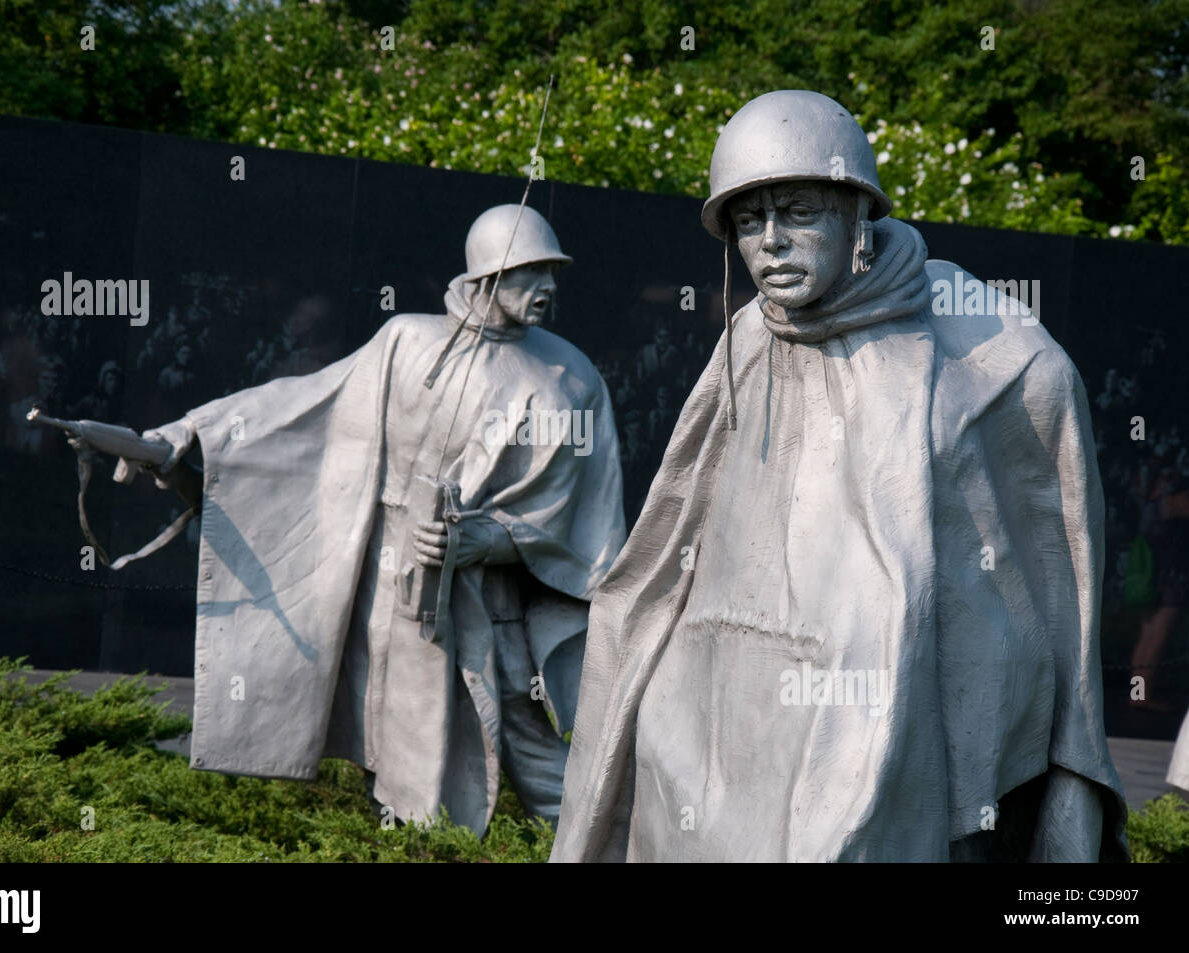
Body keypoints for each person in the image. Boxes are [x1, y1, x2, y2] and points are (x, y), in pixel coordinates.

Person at [553, 90, 1126, 862]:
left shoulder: (997, 350)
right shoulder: (751, 337)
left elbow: (1054, 568)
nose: (772, 244)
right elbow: (677, 533)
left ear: (856, 212)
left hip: (933, 736)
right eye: (750, 223)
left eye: (798, 213)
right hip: (742, 714)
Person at [73, 205, 625, 835]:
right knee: (392, 751)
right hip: (388, 595)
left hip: (490, 603)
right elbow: (306, 403)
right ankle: (404, 847)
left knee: (534, 752)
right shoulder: (406, 342)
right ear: (483, 281)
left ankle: (609, 846)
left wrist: (483, 539)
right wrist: (187, 433)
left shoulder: (568, 377)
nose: (547, 288)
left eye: (551, 272)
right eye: (529, 274)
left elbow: (571, 517)